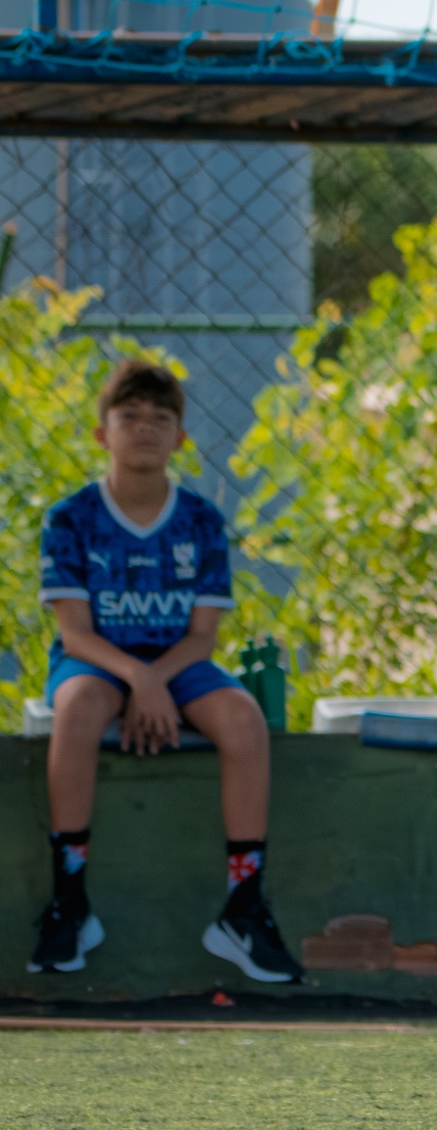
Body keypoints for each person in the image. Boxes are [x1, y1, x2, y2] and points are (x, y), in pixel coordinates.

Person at [31, 359, 303, 983]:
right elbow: (74, 632)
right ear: (103, 433)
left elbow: (202, 637)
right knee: (73, 712)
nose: (145, 428)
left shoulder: (202, 520)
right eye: (130, 417)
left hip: (179, 664)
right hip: (97, 662)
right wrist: (137, 678)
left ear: (181, 436)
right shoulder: (69, 518)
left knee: (243, 721)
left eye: (161, 418)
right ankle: (68, 901)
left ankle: (242, 907)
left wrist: (157, 678)